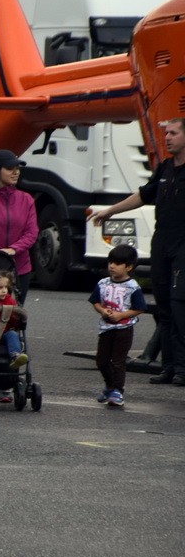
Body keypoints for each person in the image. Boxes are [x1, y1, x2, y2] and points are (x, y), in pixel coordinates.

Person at [91, 118, 185, 386]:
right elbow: (143, 195)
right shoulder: (165, 168)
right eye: (166, 133)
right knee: (164, 307)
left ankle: (182, 367)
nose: (167, 137)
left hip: (183, 247)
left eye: (173, 133)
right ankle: (168, 367)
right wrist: (109, 210)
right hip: (163, 244)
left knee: (180, 306)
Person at [89, 244, 146, 407]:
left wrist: (122, 315)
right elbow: (95, 302)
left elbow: (139, 308)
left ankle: (117, 391)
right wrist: (102, 310)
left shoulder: (133, 286)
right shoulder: (103, 283)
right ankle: (109, 385)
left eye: (117, 263)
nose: (112, 266)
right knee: (101, 361)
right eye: (110, 262)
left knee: (118, 361)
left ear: (128, 267)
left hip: (124, 328)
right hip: (106, 327)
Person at [0, 149, 38, 304]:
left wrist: (14, 249)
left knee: (15, 316)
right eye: (10, 168)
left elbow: (32, 232)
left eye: (18, 168)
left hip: (20, 268)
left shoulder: (26, 199)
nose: (16, 172)